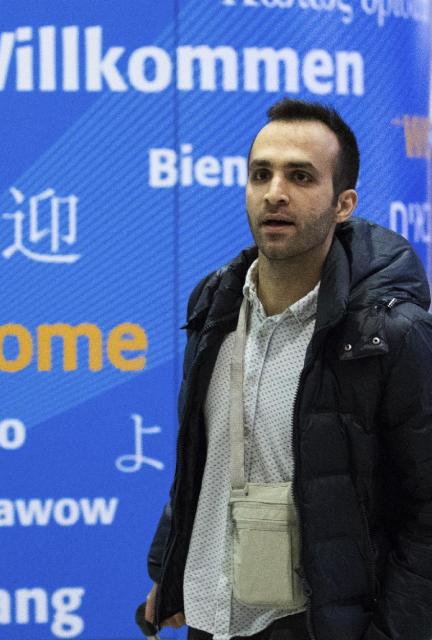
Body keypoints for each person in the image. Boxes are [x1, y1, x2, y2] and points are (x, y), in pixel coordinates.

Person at [143, 99, 432, 640]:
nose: (275, 192)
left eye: (300, 176)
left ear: (343, 203)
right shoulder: (214, 306)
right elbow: (202, 457)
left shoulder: (388, 334)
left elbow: (426, 511)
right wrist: (173, 571)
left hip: (315, 622)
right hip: (212, 617)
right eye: (261, 174)